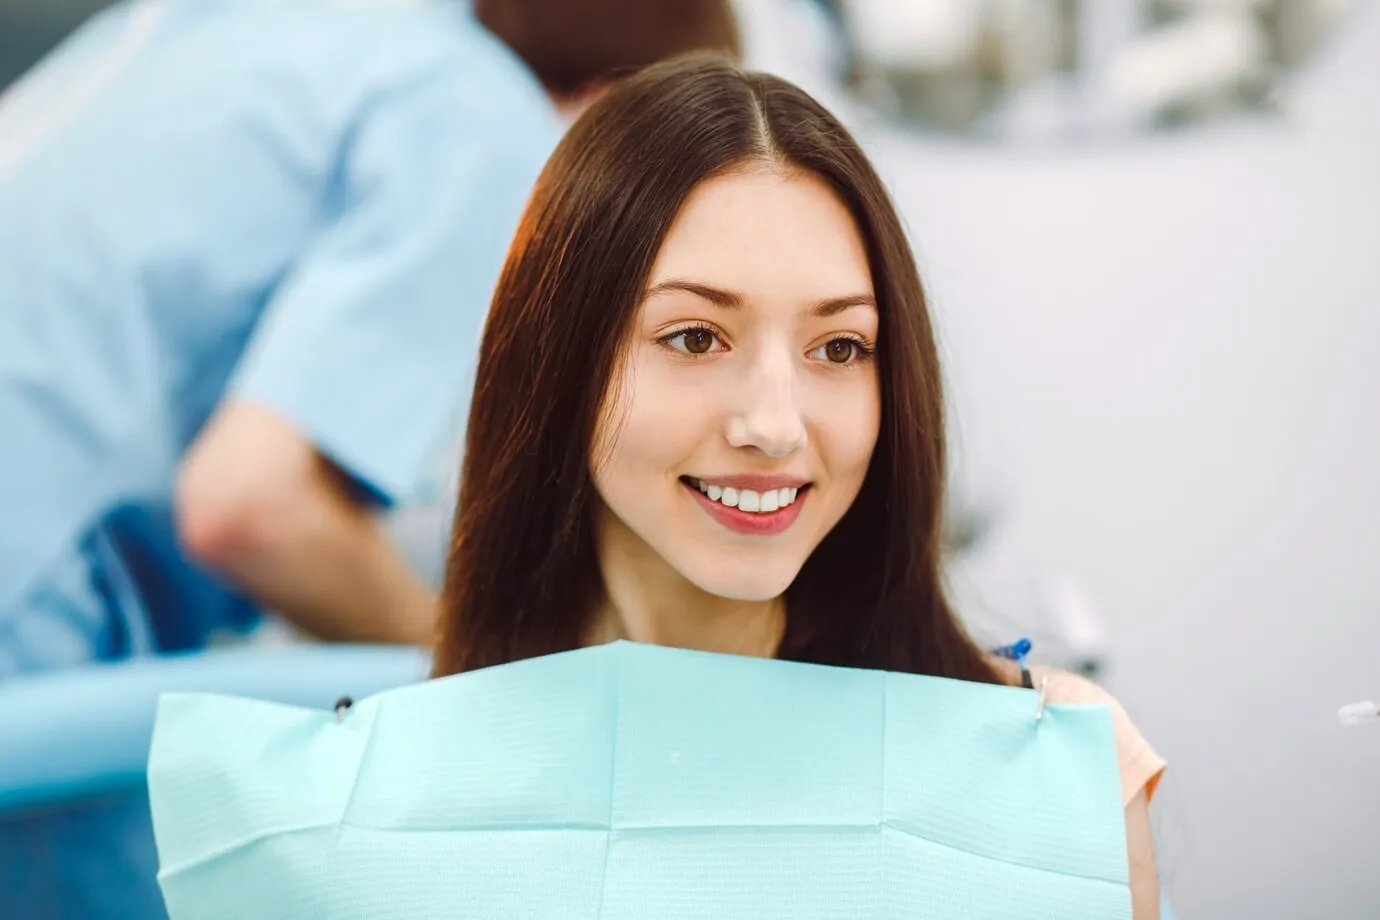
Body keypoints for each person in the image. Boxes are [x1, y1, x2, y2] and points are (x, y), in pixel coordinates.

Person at [432, 54, 1166, 918]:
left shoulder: (1046, 774)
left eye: (840, 348)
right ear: (556, 362)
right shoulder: (404, 797)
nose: (775, 426)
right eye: (697, 338)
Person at [0, 0, 739, 677]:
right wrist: (489, 673)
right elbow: (252, 506)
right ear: (617, 128)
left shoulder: (293, 29)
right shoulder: (478, 116)